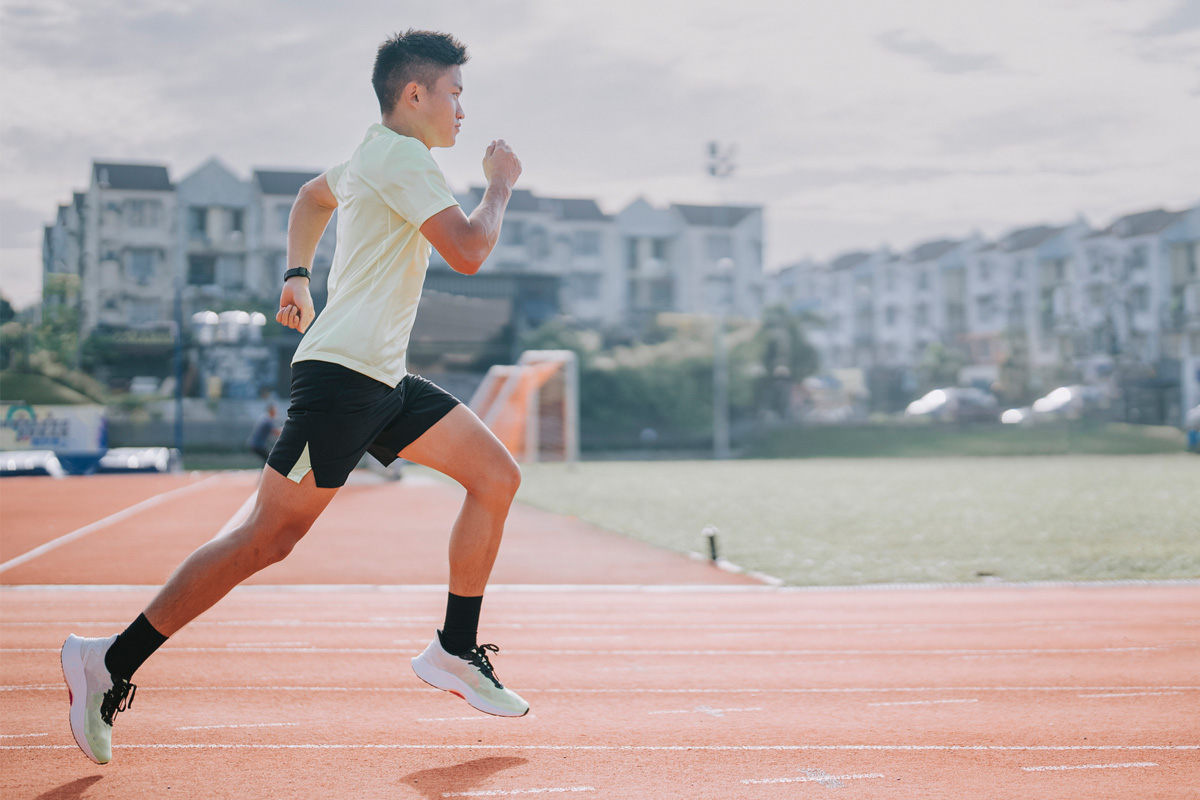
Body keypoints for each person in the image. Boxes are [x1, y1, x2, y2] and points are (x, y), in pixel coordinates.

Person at [60, 29, 529, 766]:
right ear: (416, 94)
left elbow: (313, 198)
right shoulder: (402, 156)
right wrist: (500, 182)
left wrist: (296, 276)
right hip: (344, 379)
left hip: (382, 378)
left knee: (496, 476)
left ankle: (455, 649)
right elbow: (470, 251)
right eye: (455, 93)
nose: (464, 111)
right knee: (263, 540)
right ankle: (107, 662)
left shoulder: (373, 156)